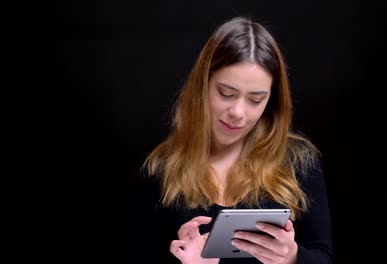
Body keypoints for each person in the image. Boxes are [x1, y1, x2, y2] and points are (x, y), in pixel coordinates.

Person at [129, 16, 334, 264]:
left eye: (255, 100)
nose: (238, 112)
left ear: (271, 102)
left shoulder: (298, 161)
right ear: (202, 86)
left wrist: (291, 257)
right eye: (226, 93)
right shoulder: (161, 168)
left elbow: (324, 257)